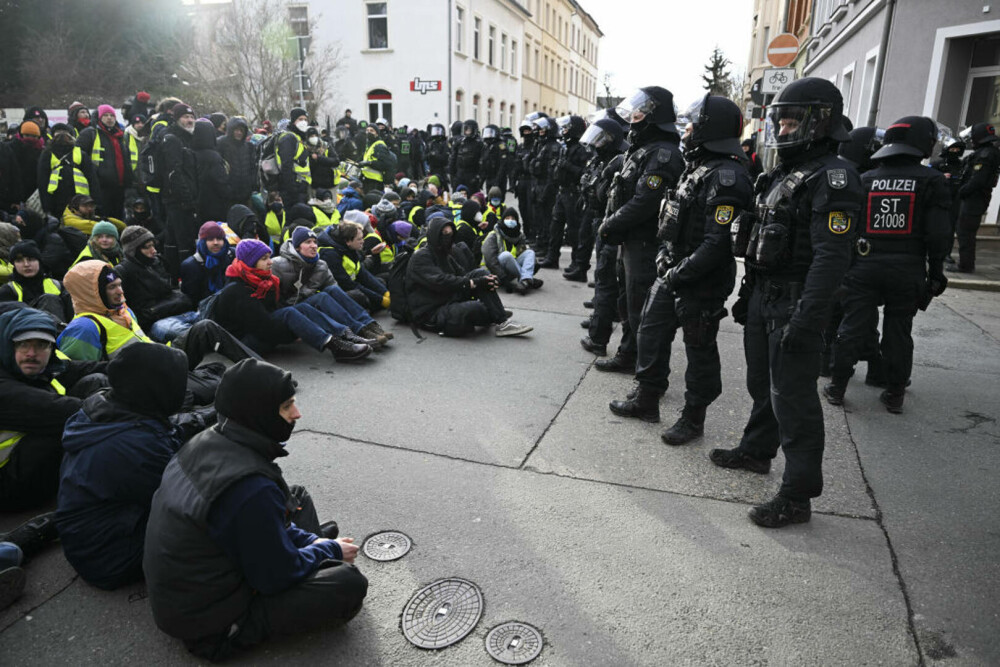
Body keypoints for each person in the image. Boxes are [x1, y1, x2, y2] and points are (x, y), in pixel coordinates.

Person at [710, 77, 862, 528]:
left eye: (793, 121)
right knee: (763, 385)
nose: (784, 129)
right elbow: (762, 237)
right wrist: (747, 294)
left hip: (794, 305)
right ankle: (757, 450)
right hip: (764, 298)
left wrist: (807, 318)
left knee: (793, 401)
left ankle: (797, 496)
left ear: (820, 122)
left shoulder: (835, 177)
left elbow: (832, 259)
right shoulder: (782, 173)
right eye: (781, 120)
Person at [144, 358, 367, 661]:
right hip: (211, 623)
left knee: (296, 498)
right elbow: (275, 576)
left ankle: (309, 551)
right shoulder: (248, 489)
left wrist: (310, 542)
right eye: (287, 406)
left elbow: (260, 517)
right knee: (349, 582)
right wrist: (328, 552)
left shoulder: (207, 440)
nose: (297, 414)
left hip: (191, 589)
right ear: (259, 411)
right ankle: (313, 563)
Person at [607, 95, 753, 445]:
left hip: (701, 280)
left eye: (692, 124)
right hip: (672, 269)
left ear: (708, 127)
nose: (685, 130)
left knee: (699, 350)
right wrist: (665, 258)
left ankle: (693, 417)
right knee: (650, 332)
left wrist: (680, 271)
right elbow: (673, 218)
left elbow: (718, 242)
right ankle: (647, 398)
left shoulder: (729, 176)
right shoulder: (698, 166)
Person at [56, 343, 214, 590]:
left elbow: (166, 430)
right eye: (177, 382)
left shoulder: (106, 407)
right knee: (219, 528)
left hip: (93, 537)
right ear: (156, 388)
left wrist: (211, 415)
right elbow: (191, 500)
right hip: (110, 558)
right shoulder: (135, 446)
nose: (183, 389)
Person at [823, 116, 951, 413]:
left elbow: (848, 229)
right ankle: (894, 393)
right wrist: (936, 273)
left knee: (852, 325)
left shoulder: (865, 179)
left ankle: (837, 386)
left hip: (864, 265)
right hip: (907, 269)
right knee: (899, 330)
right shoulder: (931, 181)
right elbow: (939, 233)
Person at [595, 86, 685, 374]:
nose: (634, 115)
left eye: (641, 110)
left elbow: (645, 202)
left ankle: (649, 376)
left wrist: (611, 223)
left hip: (646, 243)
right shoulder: (643, 149)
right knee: (627, 304)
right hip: (630, 241)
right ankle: (628, 354)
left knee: (643, 311)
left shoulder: (663, 154)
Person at [0, 307, 107, 511]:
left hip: (25, 460)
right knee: (73, 425)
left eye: (41, 345)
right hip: (6, 484)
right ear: (8, 346)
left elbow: (82, 368)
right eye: (23, 345)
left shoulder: (41, 364)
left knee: (96, 382)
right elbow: (61, 410)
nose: (32, 353)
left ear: (51, 349)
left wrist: (132, 365)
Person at [210, 240, 372, 361]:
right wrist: (297, 329)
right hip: (242, 343)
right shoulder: (236, 290)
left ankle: (345, 335)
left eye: (269, 257)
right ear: (251, 262)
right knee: (290, 313)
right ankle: (335, 347)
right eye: (264, 259)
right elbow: (264, 328)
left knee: (305, 306)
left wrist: (300, 321)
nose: (270, 262)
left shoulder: (264, 281)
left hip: (262, 329)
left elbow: (275, 310)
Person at [406, 214, 532, 337]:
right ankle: (495, 313)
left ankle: (501, 320)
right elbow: (440, 281)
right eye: (444, 233)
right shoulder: (421, 257)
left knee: (481, 273)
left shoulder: (444, 254)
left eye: (450, 234)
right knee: (475, 307)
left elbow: (462, 274)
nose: (448, 237)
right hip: (431, 309)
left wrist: (486, 280)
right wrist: (475, 283)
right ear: (435, 235)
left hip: (447, 298)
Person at [271, 227, 391, 346]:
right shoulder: (278, 265)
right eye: (308, 242)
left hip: (307, 303)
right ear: (297, 247)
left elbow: (335, 289)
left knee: (332, 290)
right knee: (321, 297)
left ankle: (369, 326)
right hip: (289, 308)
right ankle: (358, 332)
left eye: (315, 242)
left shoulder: (320, 265)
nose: (313, 246)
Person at [114, 226, 199, 341]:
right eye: (147, 247)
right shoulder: (123, 271)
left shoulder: (157, 262)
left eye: (153, 245)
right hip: (158, 323)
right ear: (134, 250)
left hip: (181, 312)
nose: (153, 250)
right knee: (192, 332)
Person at [570, 117, 627, 286]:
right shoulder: (600, 159)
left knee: (606, 261)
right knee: (598, 254)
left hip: (608, 215)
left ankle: (603, 302)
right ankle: (598, 296)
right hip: (594, 210)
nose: (596, 143)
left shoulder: (618, 160)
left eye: (599, 138)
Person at [540, 115, 590, 271]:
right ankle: (552, 257)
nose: (564, 131)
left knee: (574, 229)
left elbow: (585, 173)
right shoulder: (565, 147)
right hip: (561, 192)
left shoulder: (582, 149)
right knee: (555, 226)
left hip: (573, 193)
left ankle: (576, 263)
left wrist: (568, 166)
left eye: (567, 128)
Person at [951, 122, 1000, 273]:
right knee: (964, 231)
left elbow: (977, 180)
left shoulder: (986, 155)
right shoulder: (985, 152)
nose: (971, 140)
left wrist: (961, 192)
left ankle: (965, 266)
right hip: (974, 198)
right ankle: (965, 263)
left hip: (974, 199)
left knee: (965, 232)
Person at [160, 103, 201, 277]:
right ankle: (184, 278)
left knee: (172, 240)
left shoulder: (186, 138)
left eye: (192, 117)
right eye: (185, 117)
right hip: (178, 200)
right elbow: (174, 172)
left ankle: (173, 276)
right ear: (177, 119)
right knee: (184, 242)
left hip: (179, 198)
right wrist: (187, 199)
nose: (190, 120)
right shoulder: (173, 139)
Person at [318, 220, 390, 312]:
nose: (363, 241)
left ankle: (370, 308)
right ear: (348, 241)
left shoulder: (348, 248)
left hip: (351, 284)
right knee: (359, 296)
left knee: (380, 282)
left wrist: (384, 292)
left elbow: (363, 274)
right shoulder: (330, 255)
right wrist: (380, 299)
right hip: (338, 291)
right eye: (359, 239)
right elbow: (347, 284)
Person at [76, 104, 130, 219]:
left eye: (112, 115)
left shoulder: (119, 135)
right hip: (100, 187)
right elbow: (78, 157)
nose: (109, 118)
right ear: (99, 117)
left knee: (118, 219)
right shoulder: (90, 133)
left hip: (119, 187)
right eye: (105, 115)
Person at [0, 240, 74, 324]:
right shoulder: (8, 290)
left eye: (31, 259)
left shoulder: (58, 285)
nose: (26, 264)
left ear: (39, 261)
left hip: (59, 333)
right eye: (19, 261)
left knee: (49, 299)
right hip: (23, 333)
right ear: (14, 265)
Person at [38, 123, 101, 218]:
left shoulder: (81, 154)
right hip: (55, 202)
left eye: (65, 133)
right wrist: (46, 207)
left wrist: (96, 203)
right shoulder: (47, 154)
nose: (62, 135)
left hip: (80, 202)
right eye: (58, 132)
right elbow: (42, 182)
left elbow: (92, 179)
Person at [481, 208, 542, 294]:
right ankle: (527, 279)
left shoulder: (519, 236)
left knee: (530, 253)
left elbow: (521, 253)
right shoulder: (494, 235)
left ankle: (525, 279)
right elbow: (490, 261)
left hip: (511, 268)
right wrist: (504, 279)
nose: (510, 221)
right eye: (507, 218)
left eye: (513, 219)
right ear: (502, 220)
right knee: (506, 255)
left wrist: (533, 263)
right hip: (495, 272)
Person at [528, 117, 562, 258]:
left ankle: (546, 245)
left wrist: (546, 192)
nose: (539, 132)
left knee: (547, 219)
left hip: (547, 188)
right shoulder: (540, 145)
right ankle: (540, 242)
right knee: (538, 218)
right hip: (538, 185)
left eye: (542, 130)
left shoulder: (553, 147)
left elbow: (552, 173)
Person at [180, 221, 234, 305]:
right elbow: (191, 299)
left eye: (219, 238)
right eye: (210, 239)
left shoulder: (231, 256)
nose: (215, 243)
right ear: (203, 242)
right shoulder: (191, 265)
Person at [192, 119, 229, 224]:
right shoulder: (213, 156)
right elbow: (220, 181)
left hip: (196, 202)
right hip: (214, 203)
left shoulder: (189, 152)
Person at [217, 116, 256, 211]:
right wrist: (226, 187)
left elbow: (252, 168)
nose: (239, 133)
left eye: (241, 131)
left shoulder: (248, 147)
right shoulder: (221, 143)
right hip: (227, 194)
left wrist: (251, 185)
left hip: (245, 193)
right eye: (236, 130)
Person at [359, 124, 396, 193]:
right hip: (367, 179)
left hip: (375, 182)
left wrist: (369, 163)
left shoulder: (379, 146)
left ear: (377, 133)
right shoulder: (369, 145)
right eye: (367, 131)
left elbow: (385, 164)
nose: (369, 132)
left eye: (372, 131)